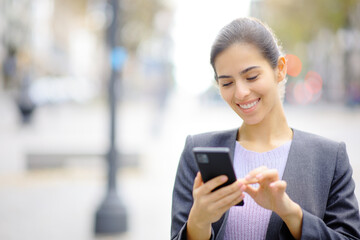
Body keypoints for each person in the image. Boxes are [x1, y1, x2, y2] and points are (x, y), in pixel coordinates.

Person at [171, 17, 360, 240]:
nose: (240, 92)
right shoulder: (198, 152)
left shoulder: (328, 158)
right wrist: (199, 221)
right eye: (227, 83)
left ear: (279, 70)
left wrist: (291, 213)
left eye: (251, 76)